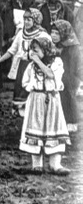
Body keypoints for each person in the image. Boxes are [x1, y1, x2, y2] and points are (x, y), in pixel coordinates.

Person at [18, 36, 71, 174]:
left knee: (54, 128)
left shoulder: (56, 62)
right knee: (36, 128)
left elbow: (50, 74)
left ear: (45, 50)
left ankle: (55, 164)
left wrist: (37, 61)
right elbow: (25, 82)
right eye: (31, 50)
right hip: (36, 99)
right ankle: (37, 164)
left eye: (36, 50)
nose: (33, 53)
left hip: (52, 98)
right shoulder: (31, 66)